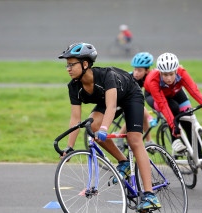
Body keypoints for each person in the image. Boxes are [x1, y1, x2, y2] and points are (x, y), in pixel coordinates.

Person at [58, 42, 161, 211]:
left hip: (129, 95)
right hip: (106, 101)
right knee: (92, 127)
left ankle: (150, 194)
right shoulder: (74, 87)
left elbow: (112, 106)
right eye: (66, 65)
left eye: (71, 64)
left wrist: (105, 129)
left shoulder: (107, 75)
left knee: (134, 140)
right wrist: (69, 147)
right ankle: (123, 162)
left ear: (85, 64)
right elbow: (76, 120)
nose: (68, 68)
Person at [144, 52, 202, 173]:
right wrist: (173, 126)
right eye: (165, 75)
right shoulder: (153, 79)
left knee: (189, 121)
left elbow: (194, 92)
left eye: (171, 74)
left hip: (175, 92)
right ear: (160, 72)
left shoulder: (182, 73)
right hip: (154, 96)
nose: (168, 78)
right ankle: (175, 141)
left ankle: (201, 160)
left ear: (176, 71)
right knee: (173, 108)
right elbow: (164, 106)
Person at [116, 52, 158, 149]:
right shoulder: (131, 79)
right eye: (135, 69)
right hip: (121, 99)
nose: (136, 73)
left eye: (139, 70)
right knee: (136, 112)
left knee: (140, 114)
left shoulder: (149, 78)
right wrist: (150, 118)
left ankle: (148, 141)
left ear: (147, 70)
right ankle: (119, 136)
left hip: (131, 101)